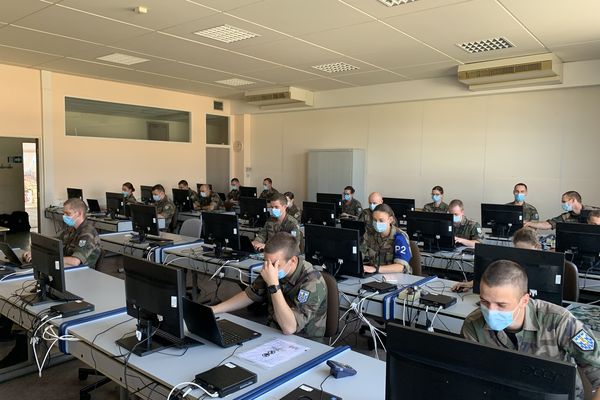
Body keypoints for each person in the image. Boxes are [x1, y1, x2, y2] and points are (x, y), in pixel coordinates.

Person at [461, 259, 600, 400]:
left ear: (524, 300)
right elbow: (469, 379)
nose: (490, 311)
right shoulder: (473, 325)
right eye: (484, 301)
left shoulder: (560, 321)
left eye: (501, 305)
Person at [211, 232, 327, 338]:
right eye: (266, 262)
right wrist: (214, 309)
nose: (270, 268)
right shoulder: (271, 268)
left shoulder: (312, 281)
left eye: (276, 264)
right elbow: (250, 294)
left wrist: (273, 285)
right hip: (273, 332)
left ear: (293, 261)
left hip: (304, 341)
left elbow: (289, 327)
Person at [451, 227, 540, 292]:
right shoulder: (512, 262)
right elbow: (500, 279)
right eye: (518, 251)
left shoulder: (547, 266)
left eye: (525, 251)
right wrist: (473, 284)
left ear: (536, 246)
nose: (521, 255)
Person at [23, 198, 101, 267]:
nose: (64, 216)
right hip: (66, 268)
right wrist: (34, 252)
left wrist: (44, 258)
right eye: (64, 213)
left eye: (68, 213)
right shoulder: (71, 229)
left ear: (79, 213)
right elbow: (54, 243)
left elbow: (75, 261)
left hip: (82, 273)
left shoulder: (87, 233)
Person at [360, 204, 412, 274]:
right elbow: (360, 254)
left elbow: (400, 267)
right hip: (375, 275)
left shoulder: (399, 236)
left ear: (390, 219)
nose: (377, 223)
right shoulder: (370, 234)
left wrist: (376, 269)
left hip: (397, 278)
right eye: (375, 220)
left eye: (381, 220)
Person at [525, 191, 598, 230]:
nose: (563, 204)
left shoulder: (594, 211)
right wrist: (529, 223)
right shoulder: (566, 216)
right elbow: (549, 224)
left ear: (572, 200)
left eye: (564, 201)